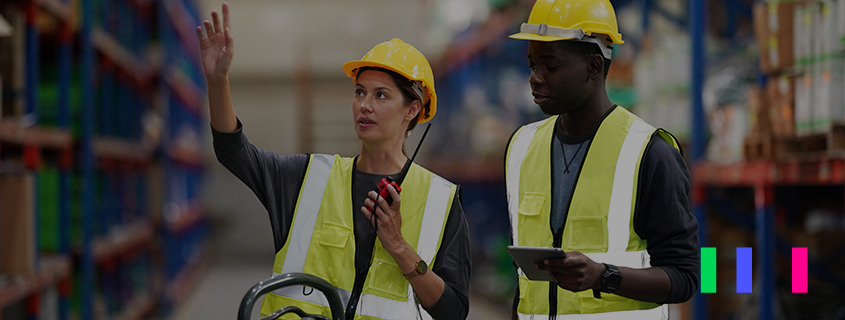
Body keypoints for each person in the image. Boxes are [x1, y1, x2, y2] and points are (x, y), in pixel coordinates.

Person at [196, 4, 470, 319]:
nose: (364, 105)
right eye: (359, 92)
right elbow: (233, 151)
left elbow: (454, 311)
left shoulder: (440, 200)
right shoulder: (307, 178)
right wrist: (218, 81)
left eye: (381, 95)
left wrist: (400, 248)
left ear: (412, 109)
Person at [503, 0, 700, 319]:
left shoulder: (649, 152)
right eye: (532, 65)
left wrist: (602, 276)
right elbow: (524, 282)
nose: (535, 78)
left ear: (594, 67)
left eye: (550, 66)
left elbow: (686, 277)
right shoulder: (522, 147)